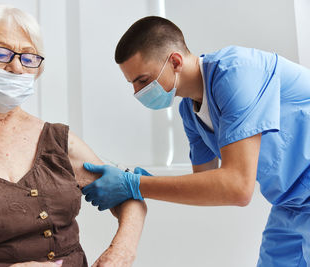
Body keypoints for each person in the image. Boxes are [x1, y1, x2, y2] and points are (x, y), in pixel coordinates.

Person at [0, 4, 147, 267]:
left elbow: (129, 194)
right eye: (1, 52)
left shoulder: (57, 141)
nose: (16, 67)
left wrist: (122, 250)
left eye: (28, 57)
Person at [82, 16, 310, 266]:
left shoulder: (236, 73)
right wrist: (143, 181)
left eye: (143, 80)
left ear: (175, 61)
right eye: (133, 84)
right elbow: (207, 181)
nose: (137, 92)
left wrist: (136, 184)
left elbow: (237, 187)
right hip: (292, 204)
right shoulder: (190, 113)